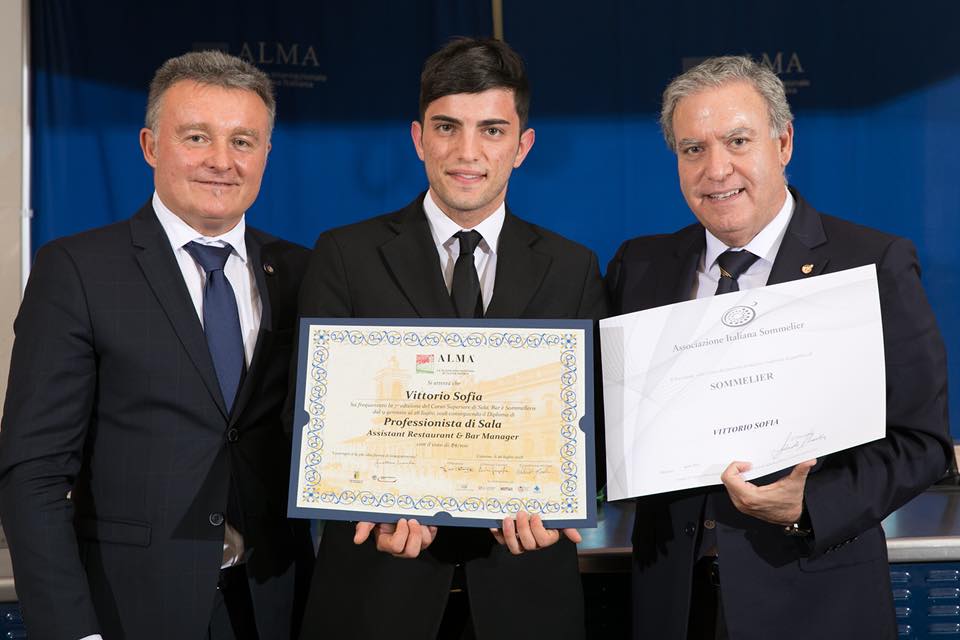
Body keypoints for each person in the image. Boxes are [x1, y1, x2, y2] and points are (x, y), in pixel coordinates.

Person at [606, 55, 951, 640]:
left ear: (783, 142)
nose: (717, 169)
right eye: (693, 149)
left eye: (738, 141)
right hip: (672, 605)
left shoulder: (870, 262)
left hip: (816, 601)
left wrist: (809, 505)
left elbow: (923, 443)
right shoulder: (639, 266)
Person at [295, 37, 606, 640]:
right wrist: (371, 505)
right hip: (375, 595)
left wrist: (565, 499)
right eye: (447, 127)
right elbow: (304, 421)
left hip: (525, 590)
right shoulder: (344, 256)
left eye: (492, 130)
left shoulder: (574, 268)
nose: (468, 152)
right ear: (417, 138)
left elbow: (591, 430)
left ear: (523, 146)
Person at [0, 51, 314, 640]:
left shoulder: (301, 271)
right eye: (197, 137)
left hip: (276, 605)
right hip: (129, 609)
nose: (222, 161)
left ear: (267, 154)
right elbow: (33, 474)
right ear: (150, 146)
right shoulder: (78, 270)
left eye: (244, 141)